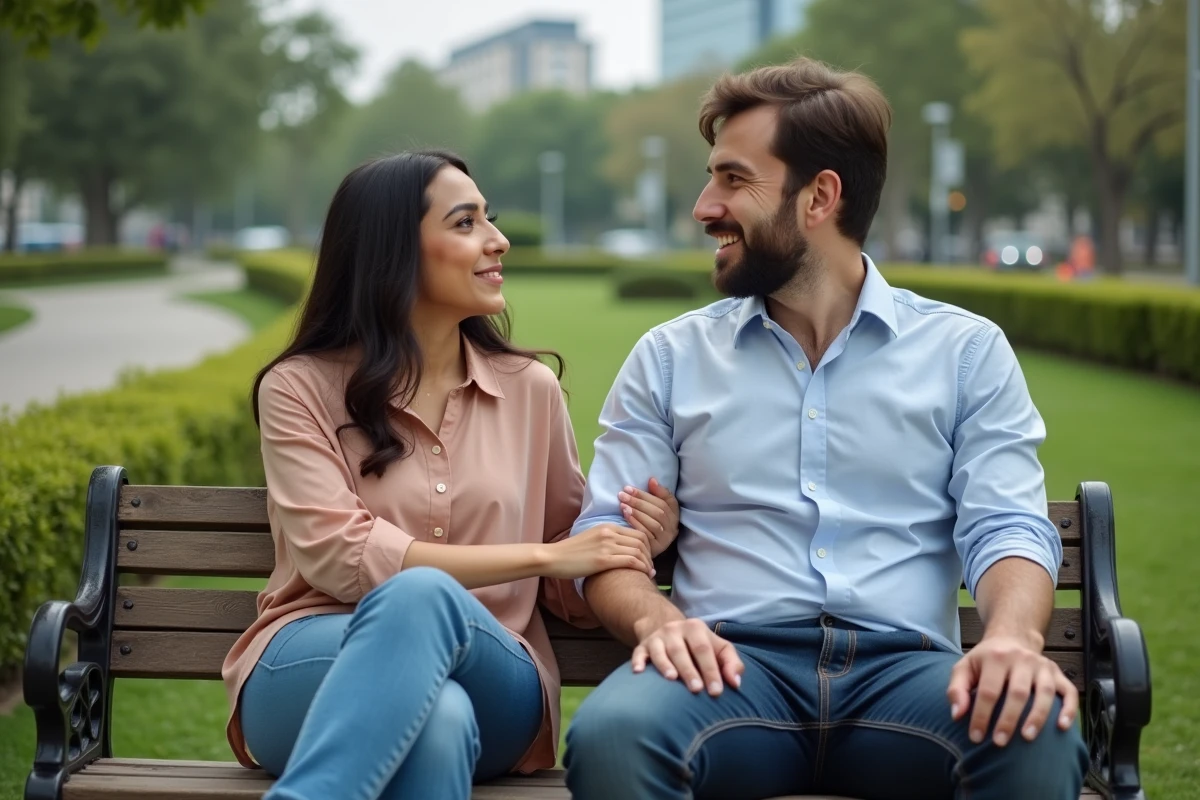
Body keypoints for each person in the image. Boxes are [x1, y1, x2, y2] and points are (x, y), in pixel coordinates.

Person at [564, 58, 1089, 800]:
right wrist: (657, 620)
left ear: (820, 197)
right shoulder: (671, 358)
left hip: (908, 675)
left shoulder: (965, 353)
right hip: (727, 671)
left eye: (734, 179)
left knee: (1034, 732)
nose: (705, 207)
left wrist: (1011, 640)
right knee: (615, 734)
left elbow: (1006, 525)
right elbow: (606, 537)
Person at [219, 150, 680, 800]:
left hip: (496, 670)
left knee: (426, 609)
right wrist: (546, 555)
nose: (498, 240)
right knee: (438, 716)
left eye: (489, 219)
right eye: (466, 223)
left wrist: (633, 542)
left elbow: (568, 588)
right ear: (392, 252)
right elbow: (340, 557)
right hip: (310, 659)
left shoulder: (531, 391)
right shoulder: (299, 389)